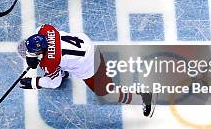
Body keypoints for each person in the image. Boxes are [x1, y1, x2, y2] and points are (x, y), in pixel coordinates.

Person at [20, 24, 155, 117]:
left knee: (106, 93)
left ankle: (144, 96)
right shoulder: (46, 30)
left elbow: (54, 83)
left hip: (90, 63)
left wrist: (35, 82)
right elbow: (40, 34)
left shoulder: (50, 63)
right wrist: (34, 57)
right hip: (85, 44)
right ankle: (63, 71)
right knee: (62, 64)